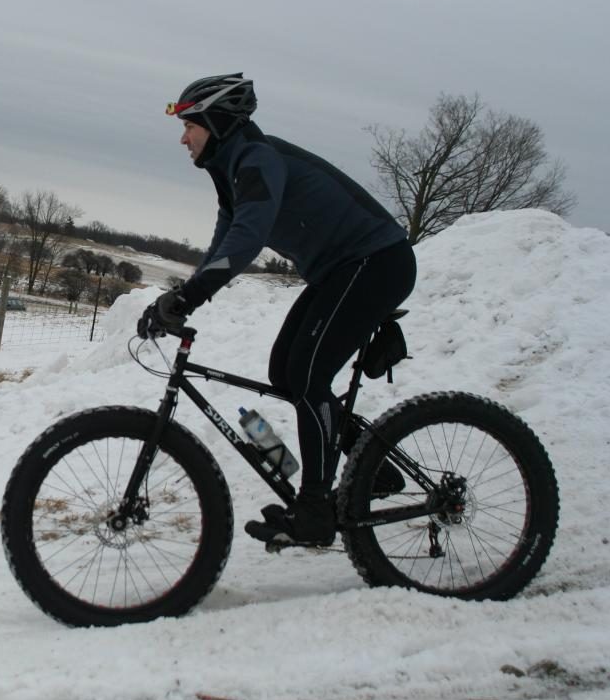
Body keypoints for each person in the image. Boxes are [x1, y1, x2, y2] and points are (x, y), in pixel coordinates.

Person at [139, 73, 417, 548]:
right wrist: (181, 294)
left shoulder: (257, 159)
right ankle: (377, 468)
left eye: (190, 125)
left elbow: (246, 241)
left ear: (217, 121)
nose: (183, 138)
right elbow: (224, 244)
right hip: (342, 270)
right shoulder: (233, 172)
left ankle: (315, 507)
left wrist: (191, 297)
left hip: (377, 262)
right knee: (285, 371)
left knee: (308, 375)